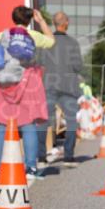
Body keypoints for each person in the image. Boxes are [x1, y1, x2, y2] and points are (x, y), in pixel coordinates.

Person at [0, 6, 55, 181]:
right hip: (27, 83)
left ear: (13, 18)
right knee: (28, 125)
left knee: (2, 126)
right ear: (29, 19)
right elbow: (51, 40)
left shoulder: (1, 35)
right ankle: (30, 168)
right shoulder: (33, 35)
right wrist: (41, 21)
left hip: (5, 83)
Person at [37, 11, 85, 169]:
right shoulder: (73, 43)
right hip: (68, 86)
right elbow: (78, 66)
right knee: (71, 121)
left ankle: (42, 157)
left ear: (54, 23)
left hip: (49, 84)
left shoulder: (46, 42)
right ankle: (69, 157)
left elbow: (40, 62)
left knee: (44, 121)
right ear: (66, 23)